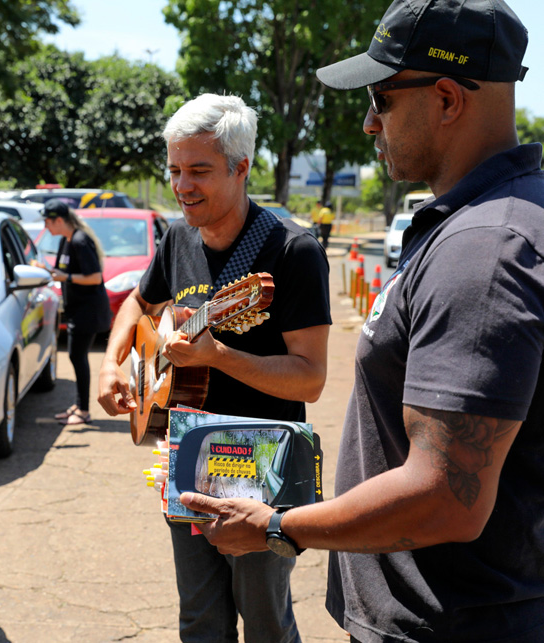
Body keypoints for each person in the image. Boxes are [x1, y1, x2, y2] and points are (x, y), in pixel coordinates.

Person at [175, 2, 544, 642]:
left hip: (451, 623)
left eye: (381, 98)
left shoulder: (482, 250)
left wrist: (277, 526)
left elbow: (445, 495)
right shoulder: (480, 221)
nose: (371, 122)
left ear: (449, 98)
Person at [97, 93, 331, 643]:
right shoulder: (179, 235)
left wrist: (217, 356)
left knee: (266, 622)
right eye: (175, 170)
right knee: (199, 621)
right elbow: (139, 303)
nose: (182, 186)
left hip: (262, 468)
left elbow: (311, 378)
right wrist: (112, 364)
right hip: (184, 450)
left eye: (199, 171)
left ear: (241, 167)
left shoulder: (292, 251)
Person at [41, 199, 111, 425]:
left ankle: (84, 411)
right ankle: (79, 405)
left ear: (59, 220)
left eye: (47, 222)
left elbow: (95, 277)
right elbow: (62, 272)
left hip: (87, 311)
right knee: (75, 356)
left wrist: (66, 278)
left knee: (77, 357)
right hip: (74, 310)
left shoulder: (81, 241)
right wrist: (47, 271)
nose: (46, 227)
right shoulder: (66, 240)